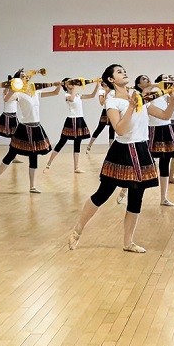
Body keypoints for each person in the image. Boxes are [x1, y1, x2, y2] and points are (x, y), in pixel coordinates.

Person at [68, 64, 158, 253]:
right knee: (103, 194)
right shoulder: (112, 101)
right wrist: (131, 107)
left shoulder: (136, 95)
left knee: (136, 198)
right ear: (110, 79)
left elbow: (164, 115)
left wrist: (173, 101)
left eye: (124, 70)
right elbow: (120, 129)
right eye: (119, 71)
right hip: (122, 151)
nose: (124, 72)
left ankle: (128, 242)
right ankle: (77, 230)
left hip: (141, 149)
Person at [0, 70, 61, 193]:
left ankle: (32, 186)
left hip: (36, 128)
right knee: (11, 155)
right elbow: (6, 99)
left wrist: (58, 85)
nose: (25, 77)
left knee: (34, 156)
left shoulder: (35, 91)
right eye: (22, 76)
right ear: (18, 80)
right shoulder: (18, 94)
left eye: (26, 76)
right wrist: (12, 88)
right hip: (24, 129)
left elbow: (55, 92)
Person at [138, 74, 174, 206]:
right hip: (153, 131)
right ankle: (126, 189)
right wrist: (157, 85)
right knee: (144, 163)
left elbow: (171, 109)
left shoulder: (161, 93)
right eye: (143, 79)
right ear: (139, 85)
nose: (147, 79)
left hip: (166, 128)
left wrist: (173, 96)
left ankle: (163, 198)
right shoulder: (143, 95)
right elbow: (146, 93)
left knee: (164, 163)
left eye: (147, 77)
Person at [45, 78, 98, 173]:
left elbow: (92, 95)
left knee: (77, 143)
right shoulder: (67, 95)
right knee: (62, 142)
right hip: (71, 120)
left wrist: (97, 85)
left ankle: (76, 168)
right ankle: (49, 163)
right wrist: (75, 88)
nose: (72, 84)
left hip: (80, 120)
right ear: (65, 85)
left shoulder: (77, 95)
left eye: (72, 82)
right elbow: (72, 99)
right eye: (70, 82)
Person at [85, 82, 115, 154]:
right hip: (105, 111)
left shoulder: (114, 90)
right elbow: (102, 102)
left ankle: (111, 149)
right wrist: (106, 93)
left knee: (112, 129)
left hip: (113, 111)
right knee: (99, 128)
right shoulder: (102, 91)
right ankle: (89, 145)